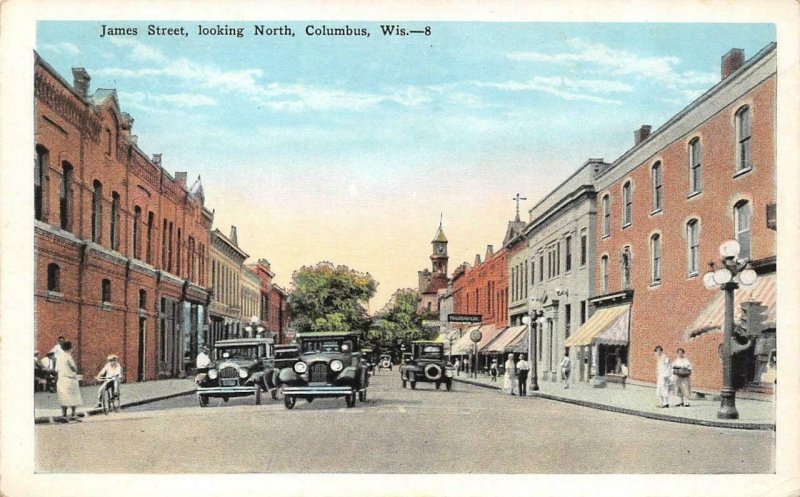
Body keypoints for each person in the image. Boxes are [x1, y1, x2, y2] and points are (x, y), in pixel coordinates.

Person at [55, 341, 82, 422]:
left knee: (63, 397)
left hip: (61, 379)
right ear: (70, 348)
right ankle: (73, 414)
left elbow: (56, 369)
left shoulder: (59, 357)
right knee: (74, 397)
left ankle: (64, 415)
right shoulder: (68, 357)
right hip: (70, 379)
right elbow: (74, 368)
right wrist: (75, 369)